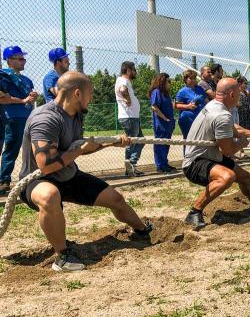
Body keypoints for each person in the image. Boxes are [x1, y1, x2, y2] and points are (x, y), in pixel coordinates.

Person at [19, 71, 153, 271]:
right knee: (49, 196)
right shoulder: (45, 119)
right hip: (37, 181)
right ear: (77, 93)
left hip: (67, 174)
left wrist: (111, 143)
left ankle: (142, 231)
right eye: (90, 93)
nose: (92, 98)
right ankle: (63, 257)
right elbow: (46, 164)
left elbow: (77, 148)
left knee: (115, 199)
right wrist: (80, 150)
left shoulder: (76, 114)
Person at [182, 78, 250, 229]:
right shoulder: (221, 115)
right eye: (239, 93)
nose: (241, 95)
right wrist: (244, 143)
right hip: (195, 163)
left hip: (210, 157)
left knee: (245, 177)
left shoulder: (214, 105)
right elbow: (227, 150)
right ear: (232, 94)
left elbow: (233, 129)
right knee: (227, 177)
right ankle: (194, 212)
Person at [0, 46, 39, 194]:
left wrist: (32, 98)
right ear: (9, 60)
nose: (24, 61)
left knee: (31, 149)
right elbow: (3, 97)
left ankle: (30, 178)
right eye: (20, 58)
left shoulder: (26, 79)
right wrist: (23, 100)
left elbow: (29, 98)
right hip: (13, 117)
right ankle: (4, 181)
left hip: (28, 116)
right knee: (12, 150)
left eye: (24, 58)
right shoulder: (3, 75)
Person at [115, 61, 145, 177]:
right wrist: (128, 99)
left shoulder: (124, 80)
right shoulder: (123, 81)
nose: (135, 72)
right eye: (134, 70)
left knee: (139, 141)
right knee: (133, 142)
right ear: (128, 70)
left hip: (131, 117)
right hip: (129, 117)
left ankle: (131, 167)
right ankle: (130, 165)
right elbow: (123, 90)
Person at [149, 73, 176, 173]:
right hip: (161, 124)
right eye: (168, 81)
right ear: (162, 81)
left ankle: (164, 163)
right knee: (160, 144)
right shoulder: (156, 92)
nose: (170, 83)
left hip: (168, 124)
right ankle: (160, 165)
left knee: (166, 143)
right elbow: (154, 107)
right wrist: (164, 118)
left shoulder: (166, 93)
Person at [175, 70, 207, 140]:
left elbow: (205, 102)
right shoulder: (182, 92)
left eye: (194, 78)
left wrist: (207, 113)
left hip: (200, 119)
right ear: (185, 79)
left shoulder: (200, 89)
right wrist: (188, 106)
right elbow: (176, 105)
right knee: (188, 140)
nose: (193, 80)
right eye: (190, 78)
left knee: (200, 139)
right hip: (187, 119)